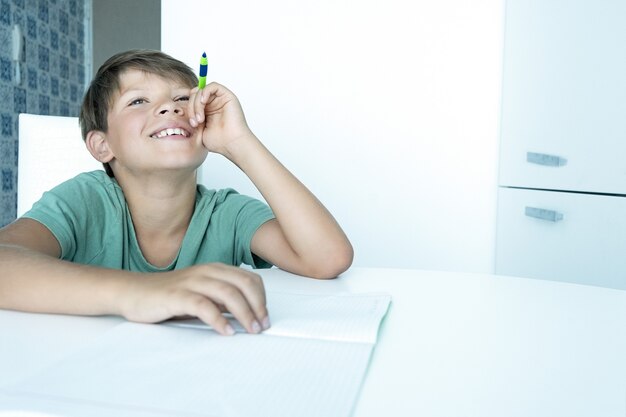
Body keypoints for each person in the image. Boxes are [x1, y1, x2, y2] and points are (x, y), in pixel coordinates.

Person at [0, 50, 353, 336]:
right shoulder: (84, 201)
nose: (170, 108)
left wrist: (238, 142)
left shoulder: (226, 213)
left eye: (183, 98)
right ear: (102, 145)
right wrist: (142, 291)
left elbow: (327, 258)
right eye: (138, 101)